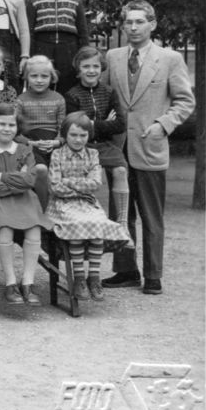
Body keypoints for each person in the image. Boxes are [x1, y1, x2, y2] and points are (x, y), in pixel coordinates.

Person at [100, 0, 195, 295]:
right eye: (128, 22)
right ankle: (126, 270)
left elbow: (185, 101)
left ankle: (153, 275)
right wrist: (103, 121)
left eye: (139, 21)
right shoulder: (113, 56)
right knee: (120, 213)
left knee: (151, 216)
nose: (133, 27)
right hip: (118, 148)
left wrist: (163, 125)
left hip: (149, 145)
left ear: (152, 24)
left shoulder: (169, 59)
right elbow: (103, 95)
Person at [45, 112, 132, 302]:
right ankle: (78, 278)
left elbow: (95, 183)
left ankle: (93, 277)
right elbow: (55, 187)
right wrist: (79, 186)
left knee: (98, 224)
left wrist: (68, 181)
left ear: (89, 136)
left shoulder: (92, 154)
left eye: (83, 135)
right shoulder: (57, 154)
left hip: (87, 203)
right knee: (77, 225)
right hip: (62, 205)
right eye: (73, 135)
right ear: (65, 135)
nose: (78, 140)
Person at [0, 103, 50, 306]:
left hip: (24, 200)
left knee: (34, 230)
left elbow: (30, 180)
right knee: (5, 230)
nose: (6, 129)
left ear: (17, 128)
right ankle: (10, 283)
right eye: (2, 124)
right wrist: (17, 180)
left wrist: (2, 176)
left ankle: (28, 282)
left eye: (11, 125)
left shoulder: (25, 150)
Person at [63, 45, 131, 230]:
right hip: (81, 147)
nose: (91, 70)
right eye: (86, 66)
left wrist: (92, 124)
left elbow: (120, 124)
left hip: (105, 145)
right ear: (78, 70)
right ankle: (88, 219)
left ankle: (122, 222)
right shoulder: (72, 96)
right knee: (90, 178)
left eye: (95, 66)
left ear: (101, 68)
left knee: (120, 170)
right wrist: (103, 123)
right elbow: (75, 127)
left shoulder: (109, 92)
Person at [26, 0, 90, 93]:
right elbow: (28, 33)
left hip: (69, 51)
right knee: (42, 85)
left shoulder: (75, 2)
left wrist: (85, 58)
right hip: (42, 49)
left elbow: (83, 34)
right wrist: (29, 56)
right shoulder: (34, 1)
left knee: (69, 88)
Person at [16, 55, 66, 210]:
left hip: (54, 144)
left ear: (52, 78)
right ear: (26, 77)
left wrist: (56, 142)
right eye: (34, 76)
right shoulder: (21, 100)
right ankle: (44, 209)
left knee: (60, 174)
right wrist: (31, 143)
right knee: (40, 169)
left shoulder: (58, 99)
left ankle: (56, 209)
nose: (39, 80)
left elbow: (63, 128)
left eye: (44, 76)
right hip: (31, 143)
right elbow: (15, 132)